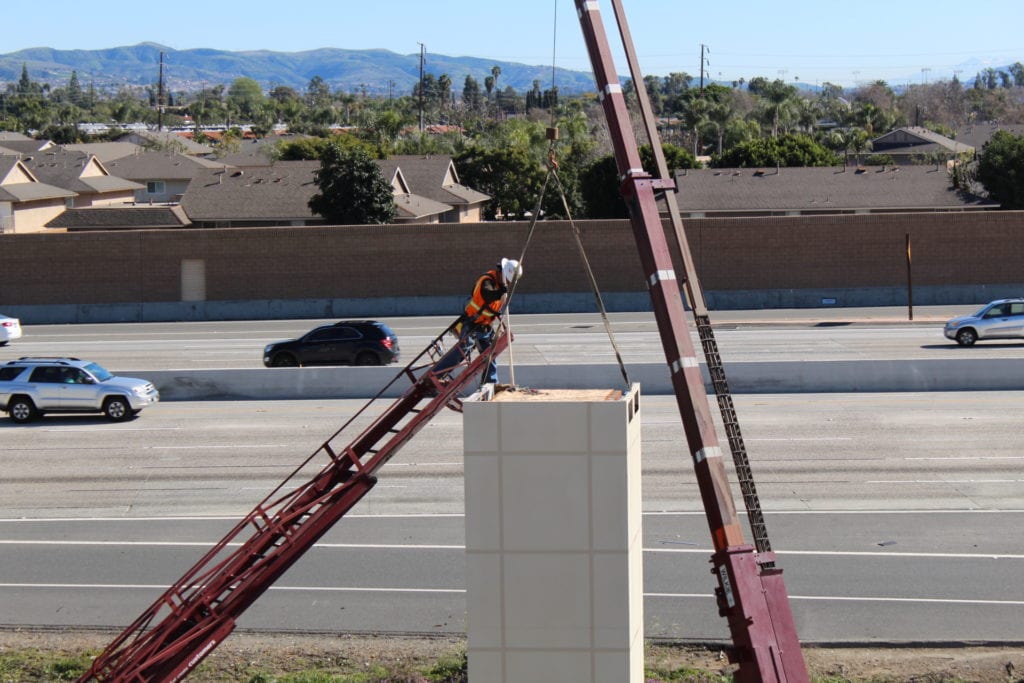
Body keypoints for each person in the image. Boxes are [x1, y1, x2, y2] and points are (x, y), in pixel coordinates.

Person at [432, 258, 523, 385]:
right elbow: (487, 295)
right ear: (502, 273)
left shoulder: (500, 286)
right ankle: (437, 374)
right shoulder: (486, 281)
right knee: (463, 351)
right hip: (471, 323)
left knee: (489, 354)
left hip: (484, 326)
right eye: (507, 278)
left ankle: (490, 383)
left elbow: (492, 309)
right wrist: (501, 292)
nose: (508, 282)